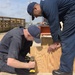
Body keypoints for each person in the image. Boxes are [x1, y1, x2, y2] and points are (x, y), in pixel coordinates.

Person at [27, 0, 75, 75]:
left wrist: (55, 42)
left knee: (67, 39)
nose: (36, 17)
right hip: (69, 13)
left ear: (35, 8)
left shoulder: (47, 6)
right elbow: (56, 23)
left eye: (34, 15)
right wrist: (59, 40)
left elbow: (54, 24)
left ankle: (66, 70)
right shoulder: (47, 7)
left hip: (72, 11)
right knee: (68, 38)